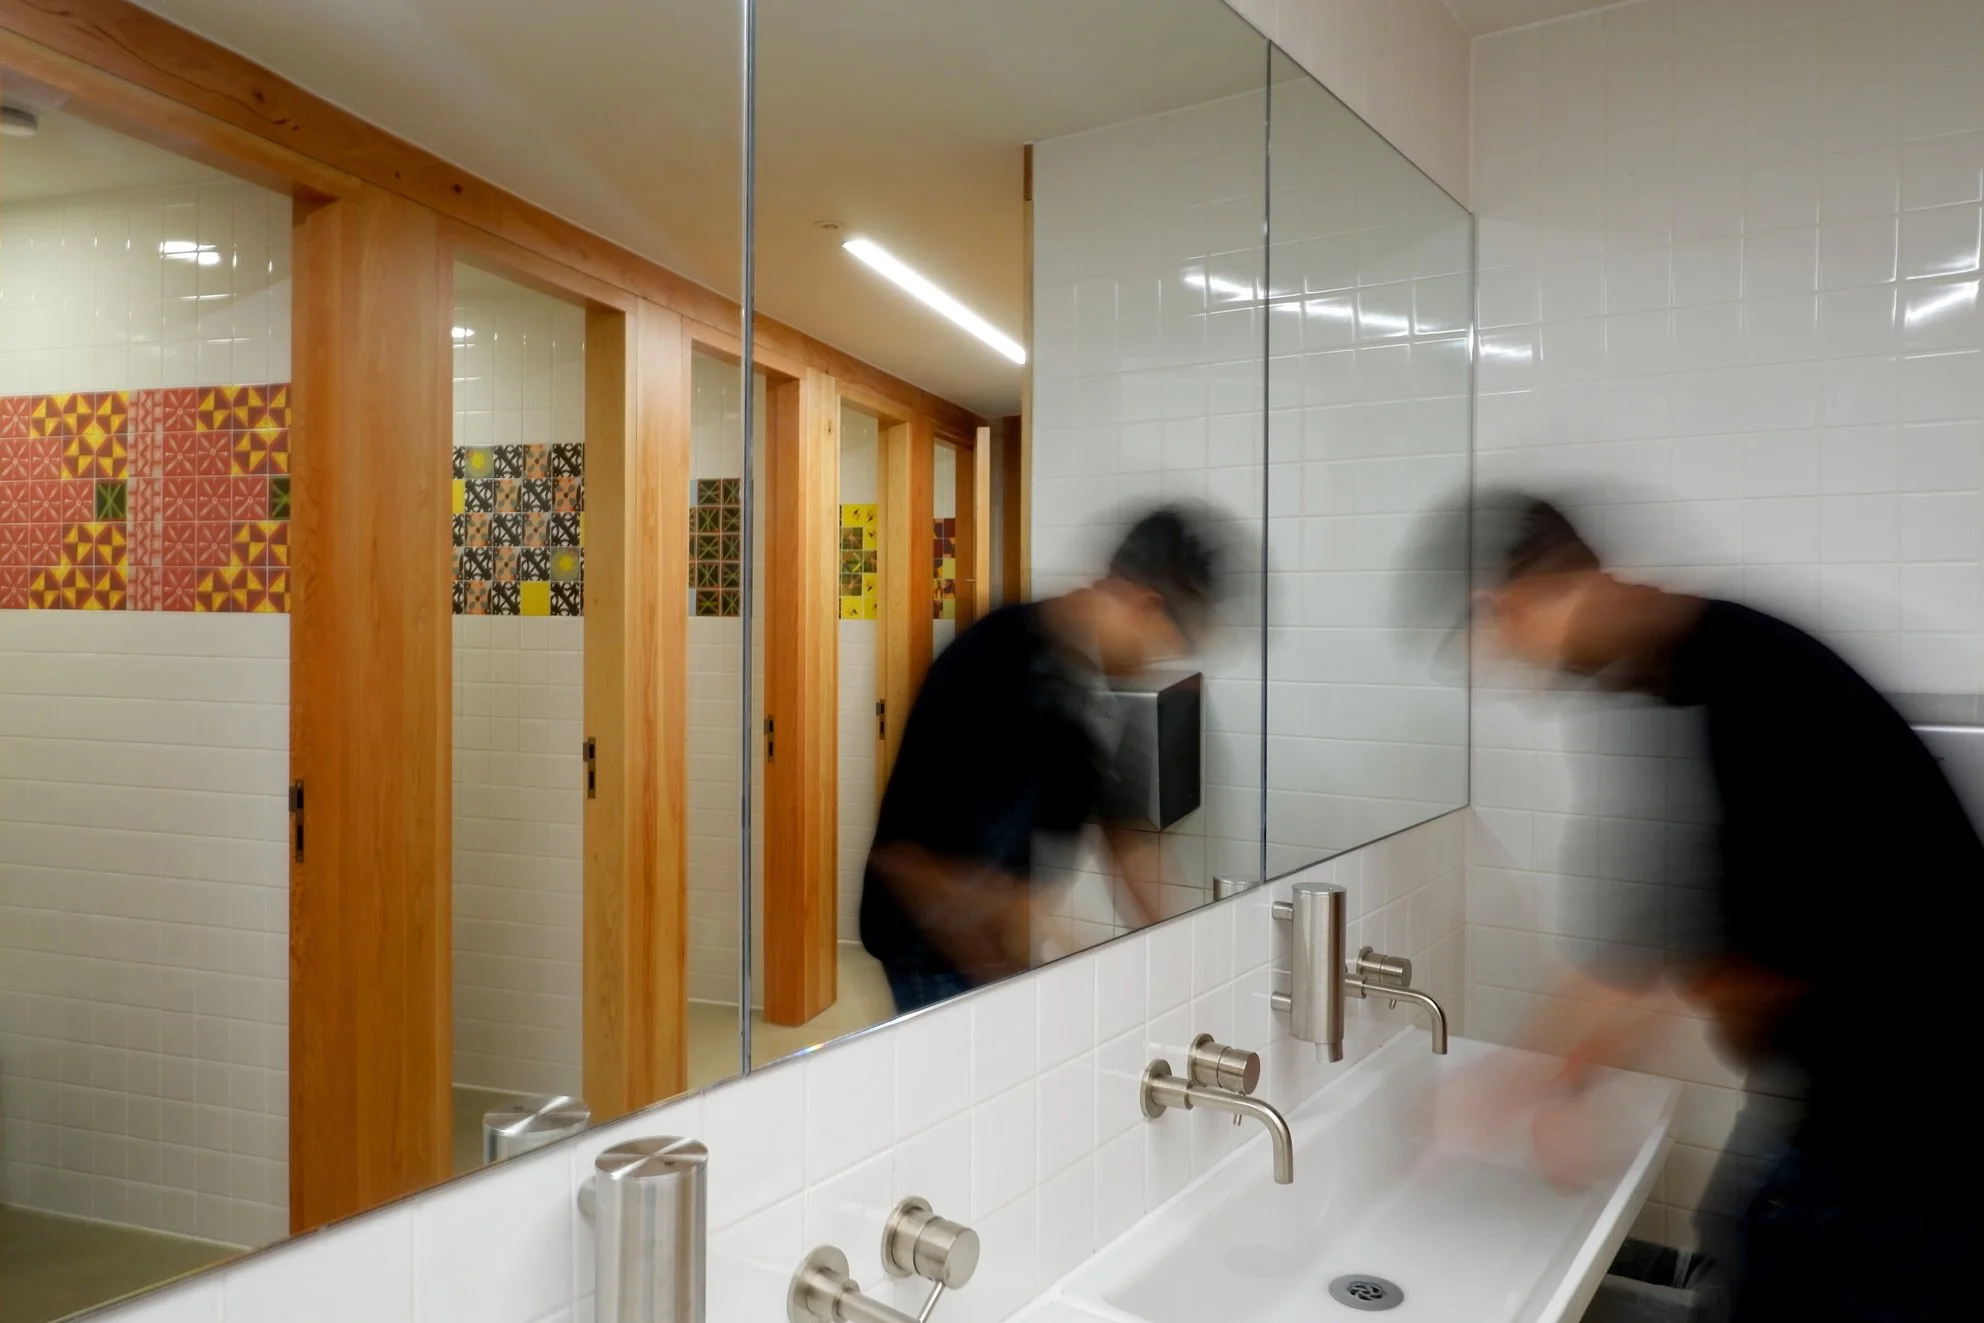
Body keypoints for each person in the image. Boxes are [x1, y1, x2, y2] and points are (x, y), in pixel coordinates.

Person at [1464, 491, 1982, 1322]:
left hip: (1919, 1124)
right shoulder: (1699, 666)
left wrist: (1528, 1085)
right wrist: (1559, 1073)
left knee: (1769, 1256)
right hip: (1869, 1103)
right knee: (1747, 1238)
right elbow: (1668, 933)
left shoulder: (1739, 684)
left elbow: (1721, 965)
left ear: (1508, 600)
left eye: (1503, 637)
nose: (1517, 668)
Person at [860, 503, 1232, 1013]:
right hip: (931, 952)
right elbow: (911, 861)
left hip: (1002, 947)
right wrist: (1030, 963)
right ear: (1145, 605)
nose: (1159, 661)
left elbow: (1127, 839)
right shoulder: (996, 657)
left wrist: (1180, 951)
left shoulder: (1104, 682)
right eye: (1167, 644)